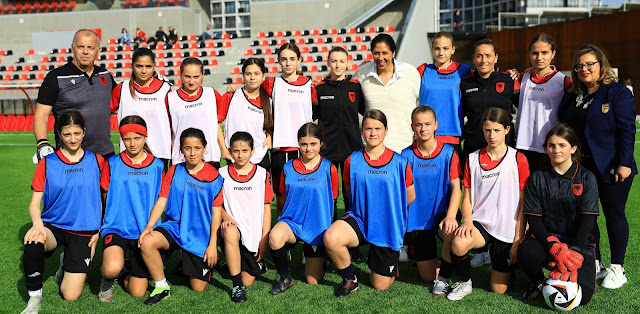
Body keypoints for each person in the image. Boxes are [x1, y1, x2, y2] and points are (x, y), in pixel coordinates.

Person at [558, 44, 637, 289]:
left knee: (614, 215)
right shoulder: (573, 93)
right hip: (582, 167)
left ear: (601, 65)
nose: (584, 69)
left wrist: (623, 163)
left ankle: (617, 268)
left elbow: (627, 130)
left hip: (612, 166)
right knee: (587, 217)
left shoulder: (616, 92)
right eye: (579, 65)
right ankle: (596, 262)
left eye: (589, 64)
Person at [324, 109, 416, 296]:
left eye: (377, 128)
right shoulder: (353, 160)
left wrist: (387, 211)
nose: (373, 133)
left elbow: (410, 196)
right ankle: (350, 278)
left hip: (387, 226)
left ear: (386, 130)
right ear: (361, 131)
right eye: (368, 128)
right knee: (331, 237)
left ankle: (388, 260)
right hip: (360, 220)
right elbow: (349, 192)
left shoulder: (400, 162)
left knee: (379, 285)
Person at [21, 111, 105, 313]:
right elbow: (34, 204)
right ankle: (34, 298)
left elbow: (104, 200)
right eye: (67, 134)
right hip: (54, 226)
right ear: (58, 134)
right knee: (32, 241)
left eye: (77, 133)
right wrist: (38, 225)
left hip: (83, 230)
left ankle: (65, 263)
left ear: (84, 132)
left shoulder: (98, 161)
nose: (73, 139)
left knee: (70, 295)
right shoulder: (48, 162)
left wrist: (98, 230)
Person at [446, 107, 529, 301]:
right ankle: (464, 282)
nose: (492, 135)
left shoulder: (518, 159)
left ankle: (507, 266)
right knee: (458, 243)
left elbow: (523, 203)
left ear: (507, 130)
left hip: (507, 227)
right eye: (487, 130)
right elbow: (467, 197)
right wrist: (467, 222)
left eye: (497, 130)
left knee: (499, 289)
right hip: (481, 222)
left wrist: (518, 239)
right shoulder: (473, 158)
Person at [228, 43, 317, 217]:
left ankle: (307, 236)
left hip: (304, 148)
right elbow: (251, 88)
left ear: (299, 60)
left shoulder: (310, 85)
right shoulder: (271, 83)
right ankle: (282, 235)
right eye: (283, 59)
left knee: (304, 192)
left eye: (292, 59)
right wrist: (233, 88)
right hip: (280, 147)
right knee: (281, 195)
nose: (288, 63)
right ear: (278, 61)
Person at [138, 128, 224, 305]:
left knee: (198, 287)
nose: (192, 153)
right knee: (147, 241)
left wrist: (212, 245)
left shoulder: (214, 176)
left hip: (199, 233)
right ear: (181, 149)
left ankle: (194, 262)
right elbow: (162, 200)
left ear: (205, 148)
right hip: (175, 227)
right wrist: (149, 226)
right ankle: (162, 286)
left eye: (197, 148)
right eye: (187, 148)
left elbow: (216, 212)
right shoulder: (175, 171)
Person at [518, 123, 598, 306]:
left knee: (583, 297)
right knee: (527, 251)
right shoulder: (537, 178)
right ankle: (538, 281)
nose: (556, 150)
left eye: (562, 145)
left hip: (578, 243)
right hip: (547, 240)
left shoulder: (587, 178)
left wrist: (575, 251)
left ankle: (578, 267)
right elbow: (534, 219)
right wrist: (552, 245)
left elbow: (588, 219)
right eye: (551, 145)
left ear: (573, 148)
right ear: (546, 148)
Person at [98, 116, 165, 302]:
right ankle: (108, 277)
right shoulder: (112, 163)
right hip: (116, 227)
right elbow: (104, 195)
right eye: (127, 139)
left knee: (138, 291)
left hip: (143, 233)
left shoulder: (158, 166)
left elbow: (161, 200)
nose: (132, 143)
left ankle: (122, 273)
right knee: (111, 267)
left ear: (145, 137)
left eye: (137, 138)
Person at [268, 123, 339, 295]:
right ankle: (285, 277)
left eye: (313, 144)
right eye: (304, 144)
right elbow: (282, 199)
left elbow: (333, 201)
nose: (308, 149)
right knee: (275, 236)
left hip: (317, 227)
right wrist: (279, 222)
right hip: (293, 223)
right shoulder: (288, 168)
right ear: (298, 144)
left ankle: (322, 257)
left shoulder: (329, 168)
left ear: (321, 143)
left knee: (312, 281)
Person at [400, 106, 462, 290]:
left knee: (450, 233)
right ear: (412, 127)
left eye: (428, 124)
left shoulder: (449, 153)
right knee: (427, 277)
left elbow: (457, 188)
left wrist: (451, 216)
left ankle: (444, 275)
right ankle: (442, 261)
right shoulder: (406, 155)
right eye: (418, 125)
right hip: (418, 219)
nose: (423, 129)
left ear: (436, 125)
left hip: (443, 214)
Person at [33, 29, 116, 163]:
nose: (85, 51)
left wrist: (150, 81)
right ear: (73, 48)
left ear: (98, 51)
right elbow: (41, 115)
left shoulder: (105, 75)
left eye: (91, 47)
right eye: (80, 46)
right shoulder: (55, 77)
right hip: (70, 156)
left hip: (105, 155)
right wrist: (42, 143)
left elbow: (125, 99)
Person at [219, 132, 273, 303]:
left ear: (252, 151)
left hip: (253, 234)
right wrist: (226, 216)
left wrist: (265, 239)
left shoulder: (262, 174)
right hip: (233, 229)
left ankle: (232, 261)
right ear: (229, 151)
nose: (240, 155)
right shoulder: (222, 174)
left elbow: (267, 208)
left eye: (244, 150)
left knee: (249, 280)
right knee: (229, 232)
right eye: (236, 151)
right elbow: (216, 206)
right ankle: (236, 286)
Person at [313, 46, 365, 215]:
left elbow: (365, 110)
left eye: (342, 61)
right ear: (328, 62)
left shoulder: (355, 87)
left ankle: (352, 224)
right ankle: (328, 226)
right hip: (327, 148)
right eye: (334, 61)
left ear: (348, 63)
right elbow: (311, 114)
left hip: (352, 147)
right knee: (329, 190)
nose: (337, 65)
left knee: (350, 191)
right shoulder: (320, 88)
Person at [353, 34, 420, 153]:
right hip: (372, 148)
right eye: (376, 53)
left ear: (393, 53)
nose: (380, 57)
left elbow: (422, 104)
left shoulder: (410, 72)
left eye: (385, 53)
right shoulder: (362, 72)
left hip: (405, 147)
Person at [515, 33, 571, 173]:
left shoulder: (563, 81)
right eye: (535, 53)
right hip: (524, 146)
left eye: (544, 52)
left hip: (551, 147)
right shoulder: (522, 77)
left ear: (553, 54)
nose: (539, 57)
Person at [460, 39, 520, 166]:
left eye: (488, 55)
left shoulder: (509, 80)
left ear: (496, 58)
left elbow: (524, 108)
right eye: (479, 56)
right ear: (473, 58)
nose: (483, 60)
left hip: (503, 149)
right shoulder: (465, 83)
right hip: (474, 148)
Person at [111, 48, 172, 168]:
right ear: (132, 65)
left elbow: (172, 120)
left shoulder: (165, 89)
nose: (144, 71)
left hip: (159, 152)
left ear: (154, 66)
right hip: (129, 153)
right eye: (139, 66)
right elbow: (106, 110)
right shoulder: (122, 88)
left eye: (148, 66)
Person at [416, 31, 471, 151]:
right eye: (437, 48)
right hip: (424, 133)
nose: (441, 53)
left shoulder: (463, 70)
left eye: (445, 48)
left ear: (453, 49)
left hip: (452, 134)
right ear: (432, 49)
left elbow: (485, 78)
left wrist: (510, 73)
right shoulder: (424, 70)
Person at [167, 57, 226, 167]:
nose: (191, 81)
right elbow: (169, 132)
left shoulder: (211, 94)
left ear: (202, 75)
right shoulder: (170, 98)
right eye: (187, 76)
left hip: (209, 158)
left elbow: (218, 123)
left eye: (196, 77)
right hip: (182, 160)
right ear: (181, 75)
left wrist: (224, 149)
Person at [219, 57, 273, 171]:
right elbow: (216, 124)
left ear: (263, 76)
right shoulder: (231, 96)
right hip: (234, 156)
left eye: (256, 73)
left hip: (260, 156)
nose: (252, 77)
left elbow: (269, 126)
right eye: (248, 74)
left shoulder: (269, 101)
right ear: (243, 75)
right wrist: (223, 149)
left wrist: (269, 137)